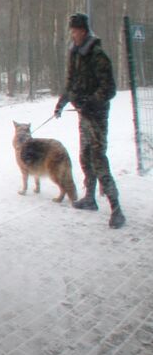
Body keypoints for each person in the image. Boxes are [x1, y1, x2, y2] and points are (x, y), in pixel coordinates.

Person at [56, 12, 124, 228]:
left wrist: (91, 101)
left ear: (83, 31)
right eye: (71, 31)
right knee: (85, 157)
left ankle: (116, 209)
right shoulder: (75, 53)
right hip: (83, 114)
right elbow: (71, 82)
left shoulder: (97, 55)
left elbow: (109, 89)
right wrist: (62, 102)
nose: (72, 34)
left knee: (98, 159)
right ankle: (90, 198)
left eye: (75, 30)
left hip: (96, 116)